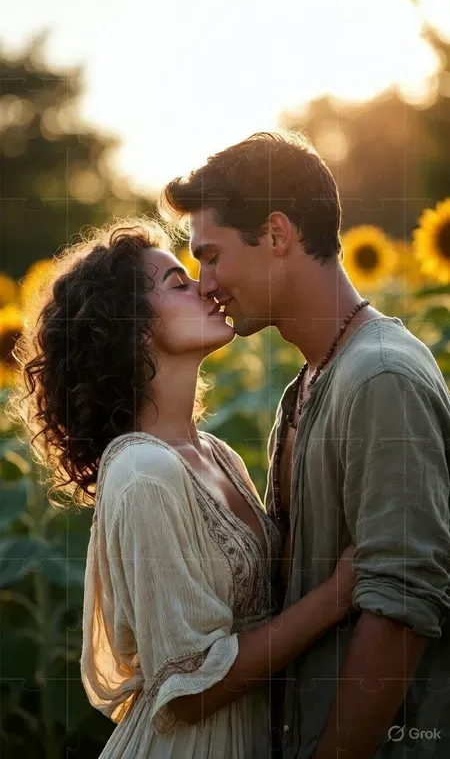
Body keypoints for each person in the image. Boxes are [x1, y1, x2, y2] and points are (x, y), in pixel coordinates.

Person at [8, 217, 357, 759]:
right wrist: (341, 591)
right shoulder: (142, 473)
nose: (208, 286)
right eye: (178, 282)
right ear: (130, 325)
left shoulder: (215, 454)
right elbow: (191, 693)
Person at [161, 130, 450, 758]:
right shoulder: (310, 385)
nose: (205, 283)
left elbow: (400, 604)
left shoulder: (380, 378)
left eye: (211, 256)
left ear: (276, 235)